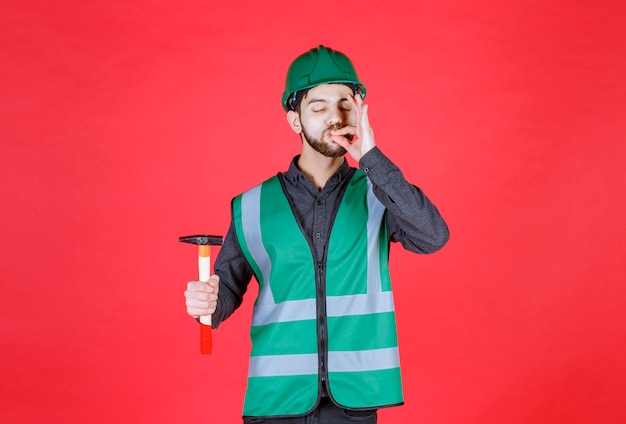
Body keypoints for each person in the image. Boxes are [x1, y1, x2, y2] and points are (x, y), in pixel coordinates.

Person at [184, 45, 449, 423]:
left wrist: (371, 157)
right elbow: (225, 291)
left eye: (345, 103)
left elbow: (433, 236)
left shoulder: (379, 193)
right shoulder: (252, 205)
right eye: (318, 106)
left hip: (354, 402)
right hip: (275, 401)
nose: (334, 117)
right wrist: (206, 304)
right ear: (295, 120)